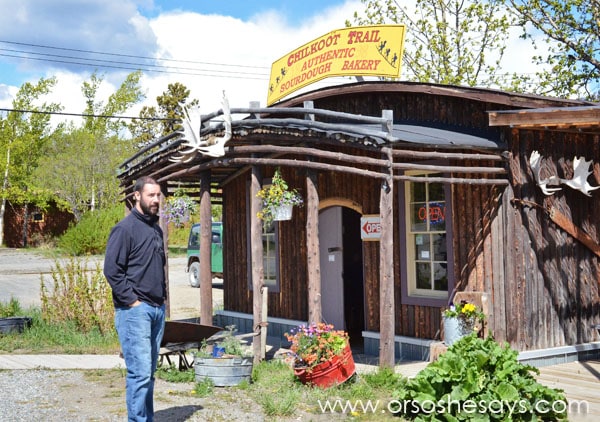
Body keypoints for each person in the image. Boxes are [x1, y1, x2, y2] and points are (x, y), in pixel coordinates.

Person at [103, 176, 167, 422]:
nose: (156, 200)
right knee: (139, 373)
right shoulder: (124, 229)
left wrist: (162, 302)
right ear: (137, 196)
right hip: (134, 312)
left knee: (149, 373)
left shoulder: (156, 229)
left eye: (158, 195)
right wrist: (132, 302)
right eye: (151, 195)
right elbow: (112, 270)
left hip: (156, 310)